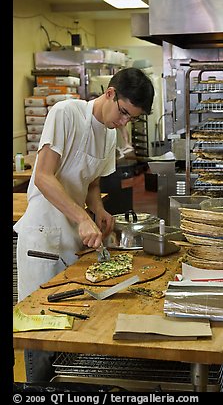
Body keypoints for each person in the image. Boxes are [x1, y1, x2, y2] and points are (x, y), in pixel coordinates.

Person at [13, 67, 154, 382]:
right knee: (42, 326)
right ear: (109, 93)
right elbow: (43, 177)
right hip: (43, 236)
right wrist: (81, 217)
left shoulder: (109, 132)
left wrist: (99, 209)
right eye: (123, 113)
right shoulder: (66, 113)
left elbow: (91, 182)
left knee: (72, 323)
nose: (123, 122)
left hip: (72, 237)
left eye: (131, 119)